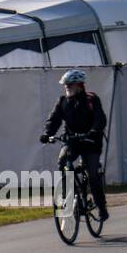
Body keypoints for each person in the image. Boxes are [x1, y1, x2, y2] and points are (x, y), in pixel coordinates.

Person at [40, 69, 109, 220]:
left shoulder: (91, 99)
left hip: (91, 142)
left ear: (79, 85)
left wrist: (94, 131)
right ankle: (69, 197)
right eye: (65, 85)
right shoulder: (63, 101)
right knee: (62, 162)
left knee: (92, 174)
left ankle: (101, 206)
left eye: (69, 84)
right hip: (72, 141)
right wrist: (47, 133)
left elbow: (100, 119)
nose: (67, 87)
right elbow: (54, 119)